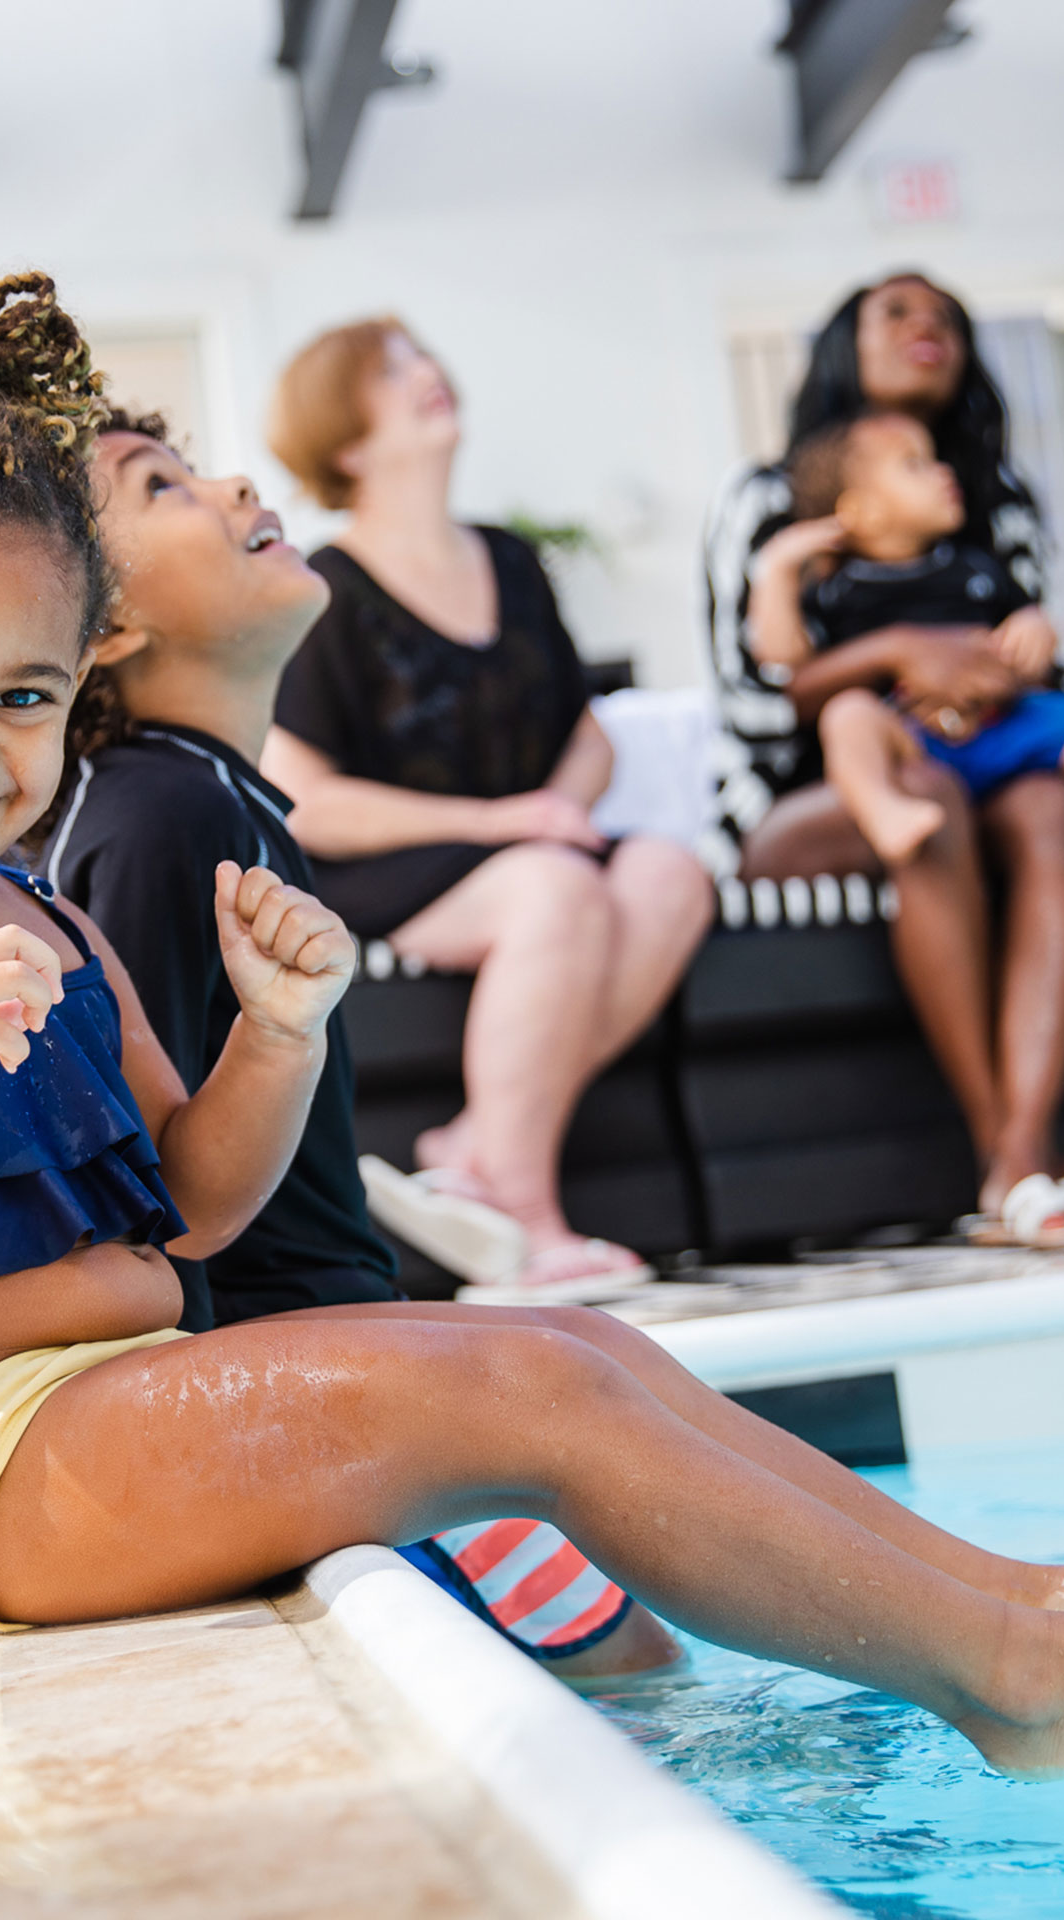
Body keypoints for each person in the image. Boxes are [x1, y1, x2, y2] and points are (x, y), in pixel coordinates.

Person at [0, 256, 1064, 1781]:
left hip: (131, 1392)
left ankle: (1018, 1599)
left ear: (77, 679)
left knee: (590, 1356)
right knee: (533, 1397)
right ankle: (1018, 1687)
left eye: (23, 697)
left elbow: (193, 1205)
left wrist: (279, 1032)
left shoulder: (51, 924)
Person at [40, 408, 682, 1680]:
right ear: (108, 631)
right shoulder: (165, 817)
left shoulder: (208, 796)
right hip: (313, 1385)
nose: (229, 484)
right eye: (161, 488)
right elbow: (145, 1188)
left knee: (601, 1383)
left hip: (339, 1347)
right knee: (633, 1662)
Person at [260, 317, 714, 1298]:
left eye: (420, 354)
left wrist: (555, 803)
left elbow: (587, 731)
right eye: (390, 371)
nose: (428, 370)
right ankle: (528, 1211)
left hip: (525, 847)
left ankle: (477, 1141)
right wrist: (506, 825)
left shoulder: (511, 560)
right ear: (345, 442)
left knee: (671, 871)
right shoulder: (322, 589)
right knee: (554, 889)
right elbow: (308, 806)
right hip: (389, 862)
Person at [705, 274, 1064, 1246]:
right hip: (821, 795)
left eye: (945, 318)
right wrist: (896, 663)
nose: (926, 330)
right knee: (929, 797)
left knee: (1050, 810)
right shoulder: (768, 501)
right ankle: (1017, 1159)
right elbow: (752, 697)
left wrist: (983, 680)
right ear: (839, 347)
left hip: (984, 756)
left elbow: (1053, 659)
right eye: (896, 314)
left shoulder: (995, 497)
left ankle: (1022, 1155)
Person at [777, 411, 1064, 924]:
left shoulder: (975, 568)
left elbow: (1021, 618)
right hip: (914, 740)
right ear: (862, 514)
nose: (942, 473)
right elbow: (787, 660)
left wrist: (1033, 630)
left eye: (934, 458)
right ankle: (883, 812)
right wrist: (776, 569)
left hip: (1002, 725)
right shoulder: (837, 590)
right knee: (848, 715)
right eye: (914, 465)